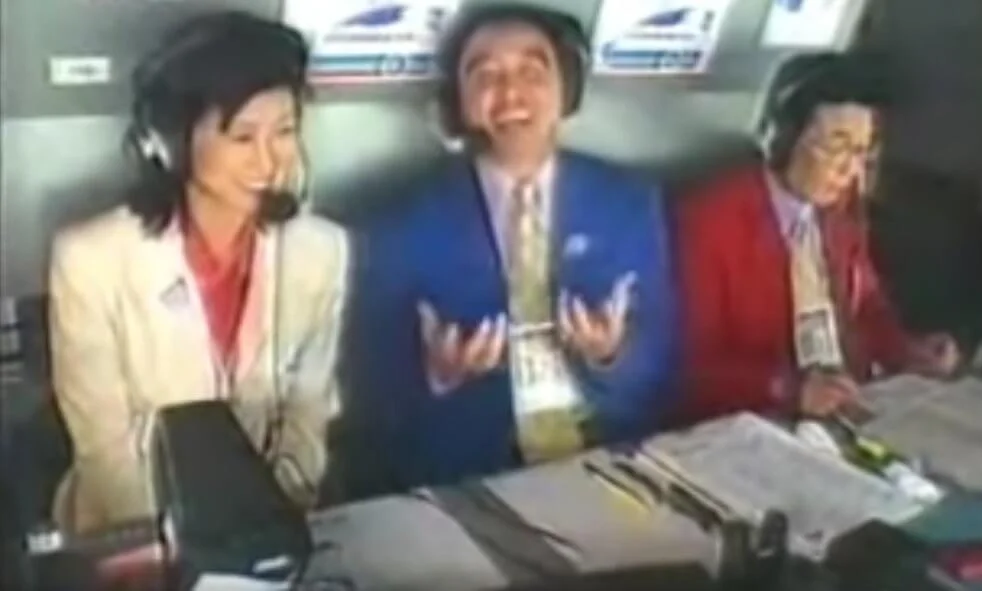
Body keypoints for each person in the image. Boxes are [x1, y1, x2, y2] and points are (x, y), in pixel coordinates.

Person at [347, 3, 674, 493]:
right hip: (466, 475)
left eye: (532, 72)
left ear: (567, 89)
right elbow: (371, 387)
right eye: (485, 76)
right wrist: (438, 375)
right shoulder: (400, 221)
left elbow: (663, 353)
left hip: (605, 460)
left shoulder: (628, 201)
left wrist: (612, 354)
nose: (510, 94)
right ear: (458, 100)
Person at [48, 11, 349, 532]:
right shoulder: (90, 260)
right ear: (172, 142)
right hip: (132, 532)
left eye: (284, 132)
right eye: (242, 137)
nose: (269, 162)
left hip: (266, 529)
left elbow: (309, 413)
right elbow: (105, 455)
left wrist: (274, 516)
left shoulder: (320, 251)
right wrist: (191, 548)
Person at [670, 52, 960, 425]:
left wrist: (908, 352)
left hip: (844, 409)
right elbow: (690, 363)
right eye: (836, 146)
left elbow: (866, 308)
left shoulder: (841, 212)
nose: (849, 170)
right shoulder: (711, 220)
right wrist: (789, 389)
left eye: (861, 152)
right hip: (760, 421)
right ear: (783, 138)